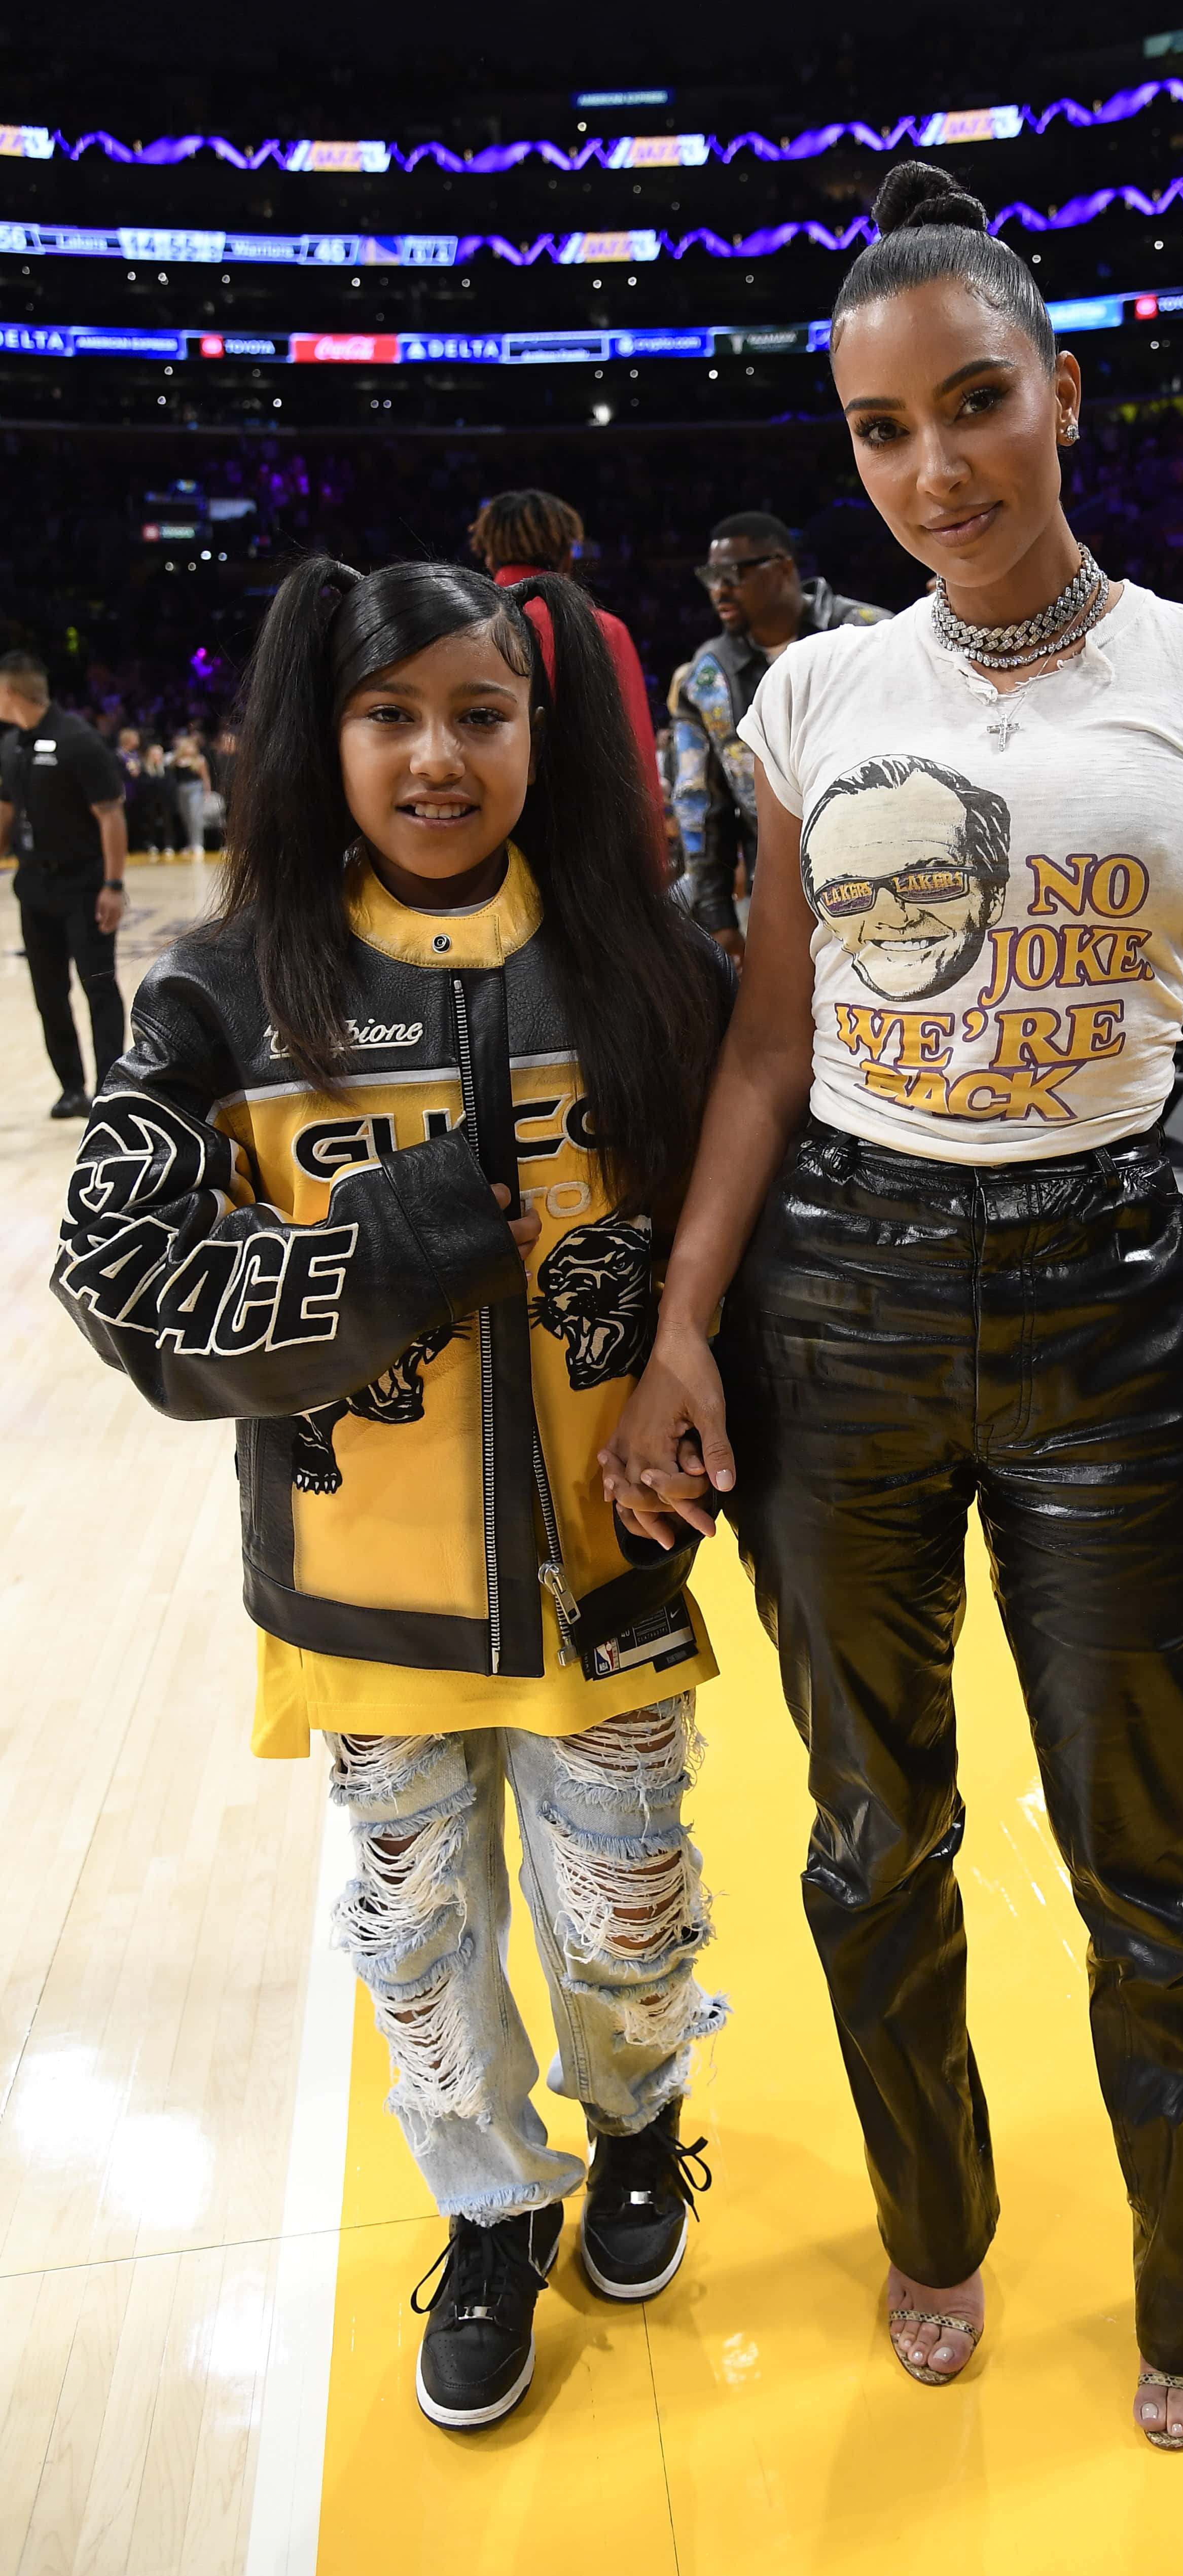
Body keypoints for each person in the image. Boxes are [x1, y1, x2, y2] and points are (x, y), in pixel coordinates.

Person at [601, 160, 1183, 2451]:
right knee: (864, 1828)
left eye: (974, 405)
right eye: (879, 432)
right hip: (841, 1308)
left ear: (1061, 395)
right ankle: (936, 2221)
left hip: (1123, 1302)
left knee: (1148, 1851)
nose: (932, 469)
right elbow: (763, 1041)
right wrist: (685, 1317)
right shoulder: (810, 687)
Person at [52, 560, 733, 2432]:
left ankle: (641, 2122)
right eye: (387, 715)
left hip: (611, 1578)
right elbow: (118, 1272)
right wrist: (386, 1249)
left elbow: (747, 1244)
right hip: (367, 1607)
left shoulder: (645, 964)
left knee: (626, 1920)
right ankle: (492, 2207)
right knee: (417, 1947)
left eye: (480, 713)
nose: (437, 755)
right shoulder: (218, 985)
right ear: (316, 736)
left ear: (542, 731)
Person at [677, 512, 889, 958]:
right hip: (777, 893)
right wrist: (717, 918)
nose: (720, 589)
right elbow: (702, 802)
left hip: (886, 874)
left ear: (785, 567)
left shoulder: (873, 635)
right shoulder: (708, 675)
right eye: (711, 576)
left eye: (733, 573)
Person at [468, 487, 664, 860]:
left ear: (490, 551)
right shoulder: (604, 630)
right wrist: (650, 864)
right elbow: (635, 756)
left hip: (483, 845)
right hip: (584, 854)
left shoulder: (462, 626)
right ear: (564, 551)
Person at [0, 647, 128, 1118]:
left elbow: (111, 815)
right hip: (34, 886)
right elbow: (7, 809)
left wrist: (113, 884)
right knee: (48, 993)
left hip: (84, 885)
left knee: (98, 986)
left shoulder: (78, 740)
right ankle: (71, 1086)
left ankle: (111, 1088)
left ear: (9, 691)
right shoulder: (11, 745)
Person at [128, 740, 180, 858]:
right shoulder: (146, 769)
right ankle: (151, 844)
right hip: (150, 800)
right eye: (155, 754)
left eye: (159, 754)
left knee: (168, 822)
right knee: (151, 822)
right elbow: (144, 784)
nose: (158, 756)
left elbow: (171, 784)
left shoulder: (167, 768)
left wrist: (157, 783)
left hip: (165, 800)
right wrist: (157, 782)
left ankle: (169, 845)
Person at [169, 731, 212, 857]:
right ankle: (190, 843)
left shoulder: (199, 760)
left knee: (195, 816)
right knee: (186, 817)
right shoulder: (177, 761)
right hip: (181, 790)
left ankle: (198, 844)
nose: (191, 749)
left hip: (195, 789)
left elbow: (206, 778)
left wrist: (207, 792)